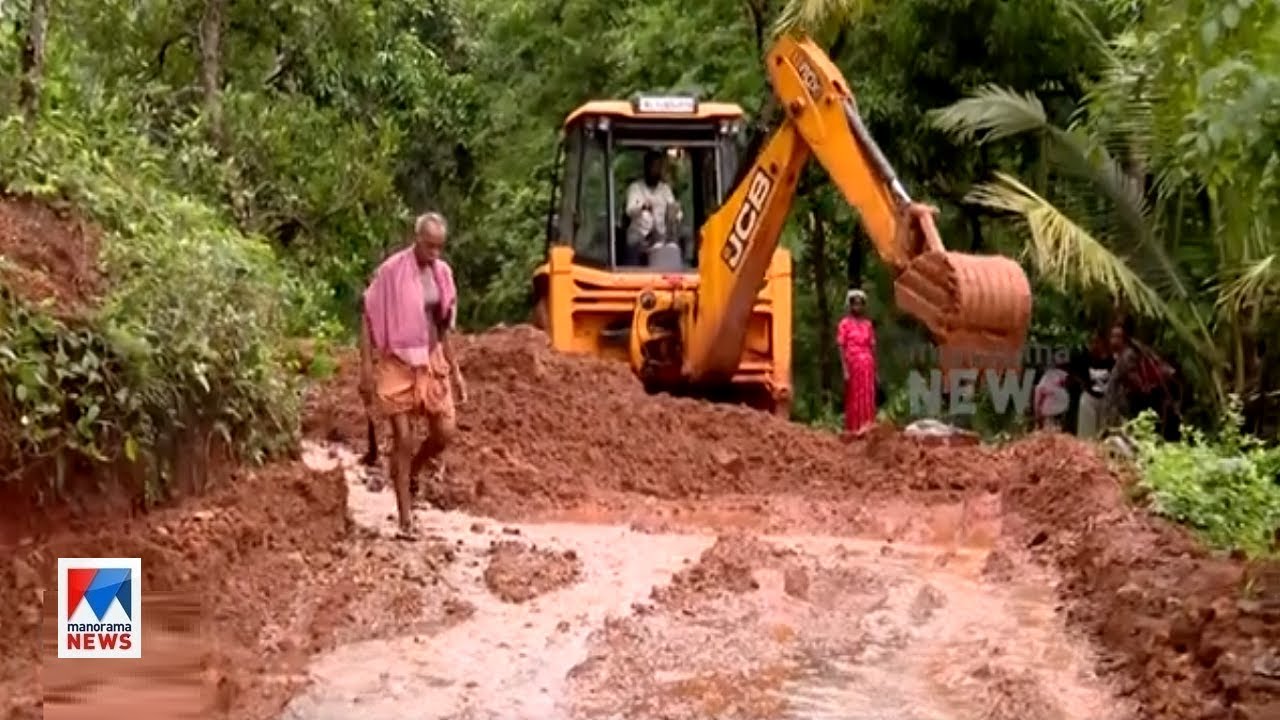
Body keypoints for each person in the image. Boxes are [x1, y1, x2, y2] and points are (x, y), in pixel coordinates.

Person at [359, 212, 468, 541]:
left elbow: (442, 324)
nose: (435, 252)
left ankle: (415, 471)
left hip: (431, 359)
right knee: (403, 438)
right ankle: (405, 518)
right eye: (429, 245)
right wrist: (366, 367)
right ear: (416, 238)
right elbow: (366, 313)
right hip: (397, 361)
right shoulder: (391, 271)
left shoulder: (442, 274)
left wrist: (456, 370)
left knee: (445, 431)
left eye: (440, 247)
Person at [624, 150, 682, 266]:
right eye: (653, 166)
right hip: (639, 238)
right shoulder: (635, 188)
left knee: (673, 250)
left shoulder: (665, 190)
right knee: (633, 252)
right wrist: (642, 207)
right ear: (646, 167)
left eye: (658, 167)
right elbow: (629, 210)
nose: (655, 170)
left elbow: (677, 214)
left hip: (660, 238)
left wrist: (674, 212)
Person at [836, 288, 877, 434]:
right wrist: (845, 369)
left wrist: (875, 369)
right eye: (855, 304)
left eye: (860, 304)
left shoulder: (868, 325)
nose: (857, 307)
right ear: (850, 306)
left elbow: (872, 346)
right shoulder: (844, 324)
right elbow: (841, 346)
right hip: (853, 364)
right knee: (855, 396)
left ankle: (868, 426)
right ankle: (854, 428)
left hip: (867, 365)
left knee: (868, 395)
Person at [1073, 332, 1114, 438]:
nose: (1095, 345)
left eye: (1097, 342)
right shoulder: (1085, 358)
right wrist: (1084, 385)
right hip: (1089, 398)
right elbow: (1075, 374)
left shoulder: (1111, 361)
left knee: (1102, 433)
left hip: (1105, 400)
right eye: (1092, 342)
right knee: (1086, 433)